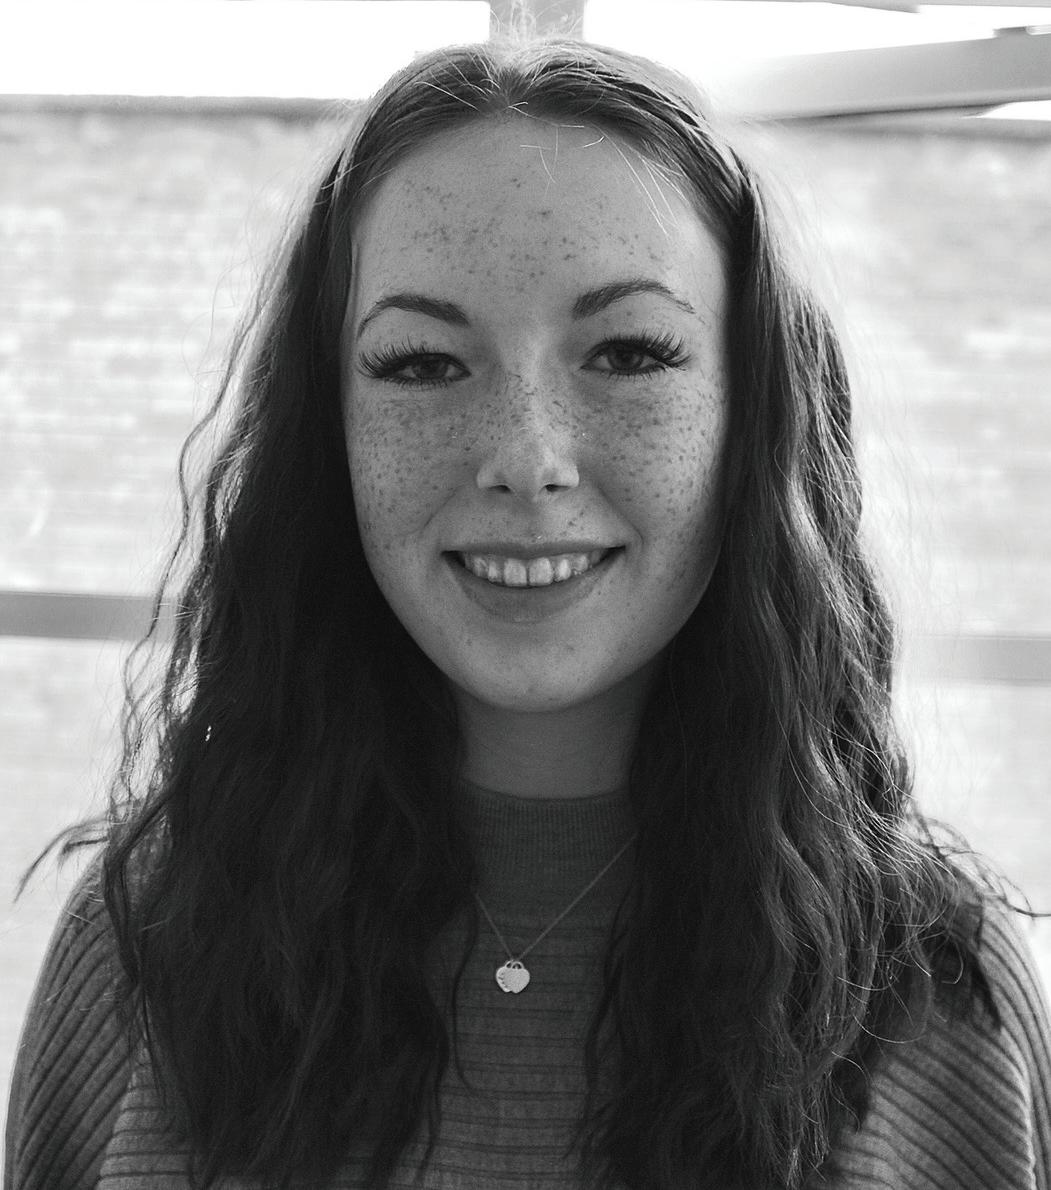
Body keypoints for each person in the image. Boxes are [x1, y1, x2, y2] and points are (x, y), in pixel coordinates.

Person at [5, 34, 1050, 1190]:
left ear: (751, 415)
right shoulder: (147, 940)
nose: (525, 458)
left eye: (628, 352)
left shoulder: (938, 989)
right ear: (328, 432)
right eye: (421, 363)